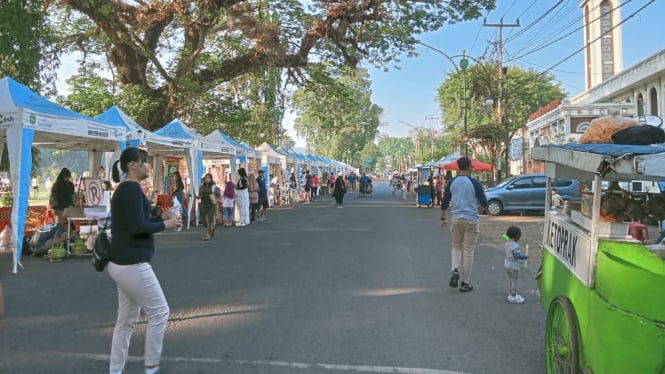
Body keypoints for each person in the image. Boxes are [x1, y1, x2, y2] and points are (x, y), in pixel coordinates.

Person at [107, 147, 181, 374]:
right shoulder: (129, 189)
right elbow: (138, 227)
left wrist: (161, 216)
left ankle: (116, 370)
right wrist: (164, 225)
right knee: (159, 312)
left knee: (126, 320)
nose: (149, 166)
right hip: (132, 262)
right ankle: (151, 368)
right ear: (132, 165)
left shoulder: (128, 189)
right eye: (145, 162)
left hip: (122, 262)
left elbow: (141, 219)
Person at [440, 157, 489, 293]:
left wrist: (443, 218)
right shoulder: (474, 183)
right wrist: (479, 210)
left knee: (456, 246)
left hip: (456, 218)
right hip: (471, 220)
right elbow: (484, 202)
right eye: (471, 167)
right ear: (468, 168)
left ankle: (455, 268)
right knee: (468, 251)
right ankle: (465, 282)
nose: (472, 168)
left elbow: (444, 202)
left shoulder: (452, 182)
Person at [504, 226, 529, 304]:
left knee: (511, 280)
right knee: (514, 281)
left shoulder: (507, 243)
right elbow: (517, 256)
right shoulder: (515, 245)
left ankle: (511, 293)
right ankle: (513, 296)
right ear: (517, 236)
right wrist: (525, 256)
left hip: (506, 264)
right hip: (513, 266)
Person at [199, 173, 219, 239]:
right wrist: (200, 196)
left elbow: (218, 195)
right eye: (206, 178)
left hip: (211, 205)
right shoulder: (201, 187)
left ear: (211, 179)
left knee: (210, 220)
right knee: (204, 220)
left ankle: (208, 234)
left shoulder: (214, 187)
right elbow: (200, 195)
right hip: (203, 205)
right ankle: (211, 229)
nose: (207, 179)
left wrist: (214, 198)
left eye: (208, 178)